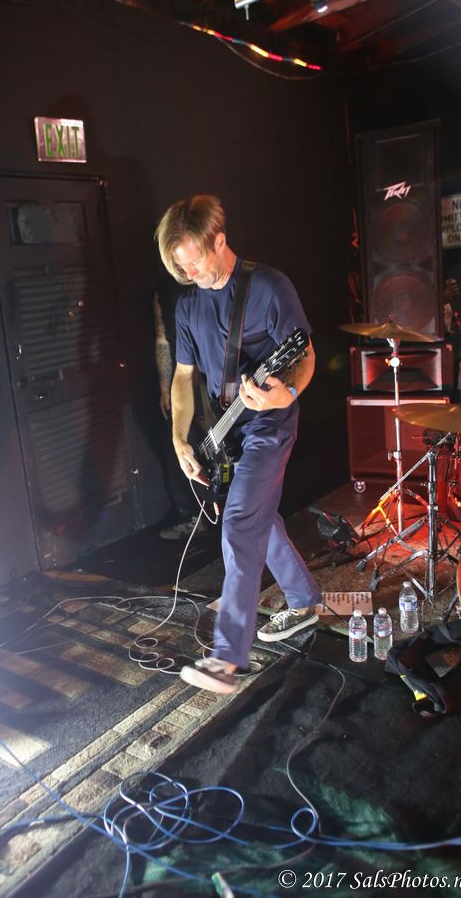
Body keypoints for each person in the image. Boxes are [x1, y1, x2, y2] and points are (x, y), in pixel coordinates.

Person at [155, 194, 321, 694]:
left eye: (193, 262)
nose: (188, 274)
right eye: (179, 267)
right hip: (223, 430)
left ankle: (228, 657)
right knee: (259, 517)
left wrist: (286, 392)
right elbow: (183, 377)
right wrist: (179, 437)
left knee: (240, 521)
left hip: (269, 423)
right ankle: (303, 599)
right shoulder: (187, 305)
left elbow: (305, 355)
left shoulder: (268, 288)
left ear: (219, 241)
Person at [153, 278, 207, 539]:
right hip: (181, 380)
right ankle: (193, 516)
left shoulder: (207, 285)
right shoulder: (163, 294)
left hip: (209, 379)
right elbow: (162, 341)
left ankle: (224, 513)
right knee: (180, 447)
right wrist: (165, 387)